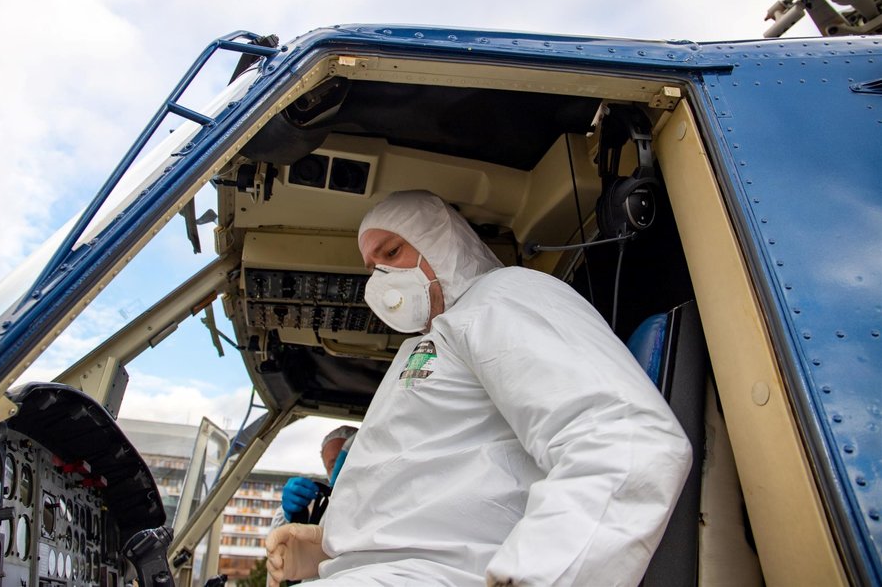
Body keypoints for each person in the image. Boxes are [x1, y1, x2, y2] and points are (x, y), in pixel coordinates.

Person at [267, 190, 692, 586]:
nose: (381, 278)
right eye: (372, 267)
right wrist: (323, 548)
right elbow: (437, 487)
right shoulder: (428, 344)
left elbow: (624, 444)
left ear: (440, 242)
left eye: (392, 252)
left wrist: (533, 576)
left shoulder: (501, 296)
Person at [273, 425, 358, 527]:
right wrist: (288, 515)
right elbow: (280, 539)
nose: (339, 469)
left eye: (347, 459)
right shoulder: (322, 507)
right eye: (333, 465)